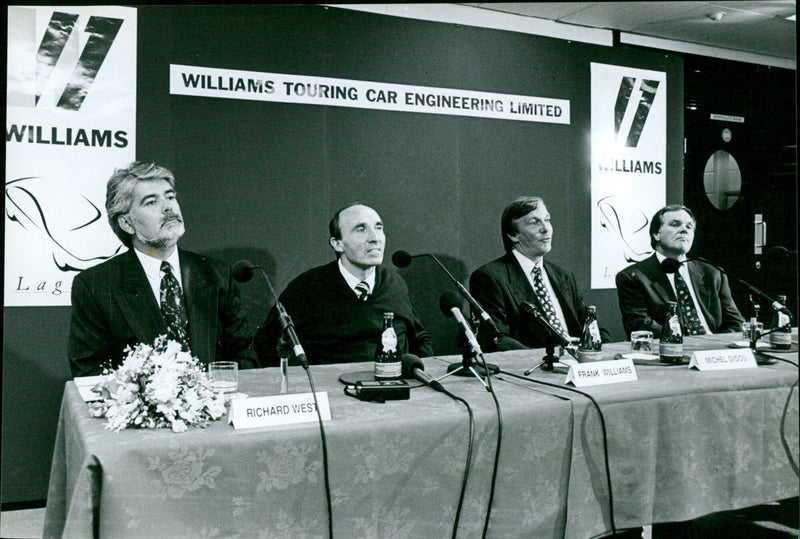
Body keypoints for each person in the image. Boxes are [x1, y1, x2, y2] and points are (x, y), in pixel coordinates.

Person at [68, 162, 257, 376]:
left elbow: (244, 359)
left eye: (170, 196)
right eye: (151, 202)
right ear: (127, 223)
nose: (168, 207)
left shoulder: (216, 275)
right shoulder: (96, 285)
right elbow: (90, 372)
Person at [255, 203, 433, 366]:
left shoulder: (394, 284)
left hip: (391, 385)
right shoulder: (307, 287)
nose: (375, 238)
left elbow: (419, 338)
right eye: (361, 229)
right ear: (337, 244)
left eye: (378, 228)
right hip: (332, 393)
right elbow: (265, 341)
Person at [469, 196, 607, 352]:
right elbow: (497, 339)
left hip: (579, 363)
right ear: (513, 235)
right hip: (534, 368)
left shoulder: (564, 276)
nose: (546, 228)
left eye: (547, 220)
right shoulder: (490, 278)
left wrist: (609, 353)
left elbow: (590, 324)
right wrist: (548, 357)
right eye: (534, 222)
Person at [615, 203, 744, 337]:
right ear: (656, 234)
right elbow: (640, 325)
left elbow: (735, 322)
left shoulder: (713, 273)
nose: (684, 230)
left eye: (689, 226)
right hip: (671, 350)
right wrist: (683, 344)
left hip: (713, 350)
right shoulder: (633, 277)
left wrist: (717, 347)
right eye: (675, 224)